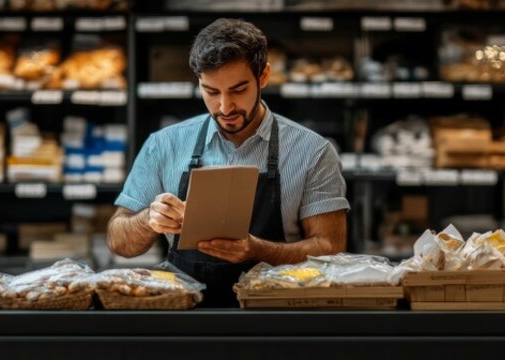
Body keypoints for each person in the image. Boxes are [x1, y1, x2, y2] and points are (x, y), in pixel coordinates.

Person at [107, 18, 349, 307]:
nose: (225, 107)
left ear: (263, 76)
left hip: (277, 313)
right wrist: (149, 219)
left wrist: (256, 249)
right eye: (211, 92)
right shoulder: (164, 145)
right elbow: (118, 241)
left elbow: (330, 249)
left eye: (238, 90)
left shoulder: (312, 151)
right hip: (186, 315)